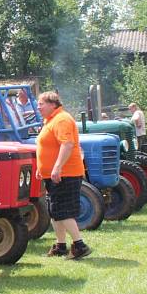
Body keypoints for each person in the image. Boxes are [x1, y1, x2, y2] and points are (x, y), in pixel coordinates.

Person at [35, 91, 92, 260]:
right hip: (54, 175)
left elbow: (67, 144)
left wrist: (57, 168)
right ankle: (60, 246)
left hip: (66, 174)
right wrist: (42, 168)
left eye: (41, 104)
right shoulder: (51, 121)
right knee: (55, 210)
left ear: (53, 104)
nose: (38, 107)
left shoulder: (62, 119)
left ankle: (80, 245)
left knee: (63, 211)